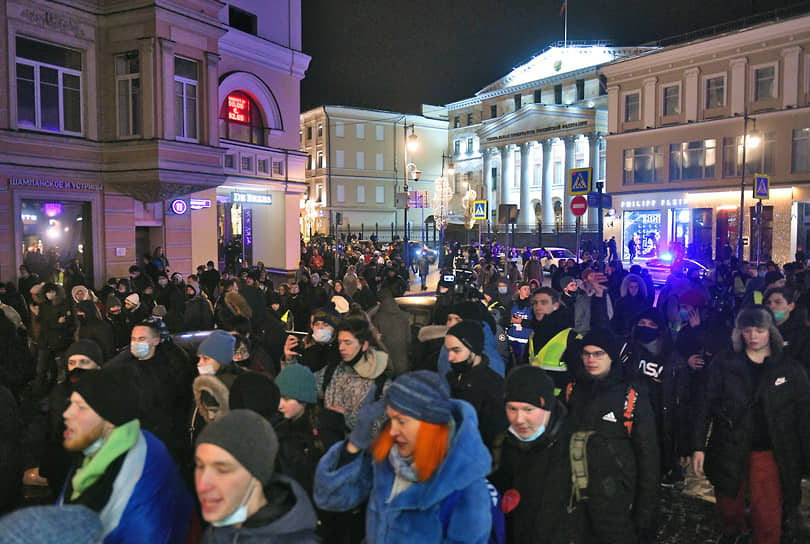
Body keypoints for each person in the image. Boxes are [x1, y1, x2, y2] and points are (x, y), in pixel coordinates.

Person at [313, 370, 494, 543]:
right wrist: (354, 444)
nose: (392, 431)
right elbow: (331, 498)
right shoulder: (387, 460)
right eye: (390, 419)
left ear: (429, 425)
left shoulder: (465, 487)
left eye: (401, 421)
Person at [692, 307, 810, 544]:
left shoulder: (789, 369)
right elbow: (705, 404)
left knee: (767, 514)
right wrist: (697, 445)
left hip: (769, 451)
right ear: (740, 332)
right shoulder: (725, 363)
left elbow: (803, 415)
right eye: (748, 330)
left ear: (770, 332)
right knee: (728, 505)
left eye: (759, 330)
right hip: (728, 445)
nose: (753, 336)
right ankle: (734, 533)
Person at [58, 365, 194, 543]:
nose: (66, 414)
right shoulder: (94, 449)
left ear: (110, 420)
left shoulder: (143, 470)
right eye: (71, 404)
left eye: (81, 407)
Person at [562, 328, 659, 544]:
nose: (591, 359)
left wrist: (644, 514)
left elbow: (648, 458)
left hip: (615, 499)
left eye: (598, 354)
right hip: (575, 495)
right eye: (586, 353)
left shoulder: (631, 397)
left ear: (612, 357)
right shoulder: (573, 389)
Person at [194, 410, 319, 543]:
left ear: (257, 475)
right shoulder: (216, 533)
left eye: (222, 470)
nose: (202, 485)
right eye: (200, 466)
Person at [490, 366, 572, 544]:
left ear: (548, 407)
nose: (519, 419)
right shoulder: (502, 446)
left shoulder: (576, 450)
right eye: (512, 409)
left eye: (528, 409)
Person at [444, 321, 508, 448]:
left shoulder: (494, 386)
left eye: (456, 350)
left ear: (474, 349)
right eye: (448, 351)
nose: (450, 358)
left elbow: (493, 435)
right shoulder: (450, 378)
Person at [275, 363, 324, 498]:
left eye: (287, 398)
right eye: (278, 397)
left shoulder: (320, 433)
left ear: (304, 399)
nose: (280, 405)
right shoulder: (282, 426)